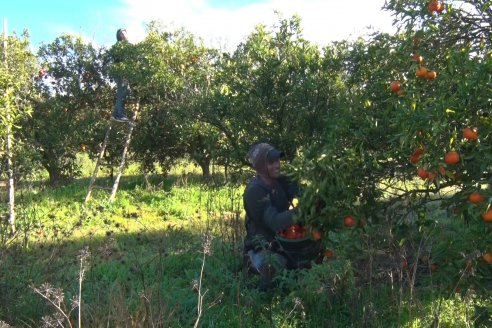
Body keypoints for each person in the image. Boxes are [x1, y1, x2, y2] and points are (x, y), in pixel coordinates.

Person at [243, 142, 299, 290]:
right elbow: (274, 222)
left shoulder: (281, 181)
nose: (277, 165)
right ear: (261, 166)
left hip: (284, 242)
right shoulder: (254, 191)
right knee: (274, 265)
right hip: (261, 248)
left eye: (278, 161)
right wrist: (301, 211)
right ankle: (262, 295)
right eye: (271, 162)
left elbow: (303, 192)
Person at [111, 28, 131, 122]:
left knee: (125, 90)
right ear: (119, 37)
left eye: (124, 33)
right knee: (122, 91)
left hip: (126, 73)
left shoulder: (129, 46)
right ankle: (119, 114)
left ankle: (115, 114)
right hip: (119, 72)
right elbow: (116, 59)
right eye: (121, 34)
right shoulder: (118, 45)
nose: (123, 35)